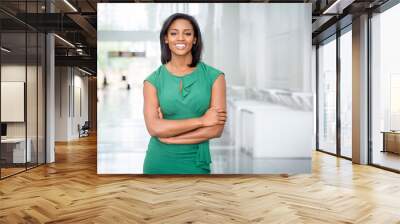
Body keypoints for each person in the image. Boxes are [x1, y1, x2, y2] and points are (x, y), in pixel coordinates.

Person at [142, 13, 227, 174]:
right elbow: (154, 127)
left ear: (195, 39)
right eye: (174, 33)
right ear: (166, 38)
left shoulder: (215, 77)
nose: (180, 38)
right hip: (158, 161)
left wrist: (171, 138)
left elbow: (216, 129)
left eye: (187, 33)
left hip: (196, 163)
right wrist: (202, 121)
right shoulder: (152, 81)